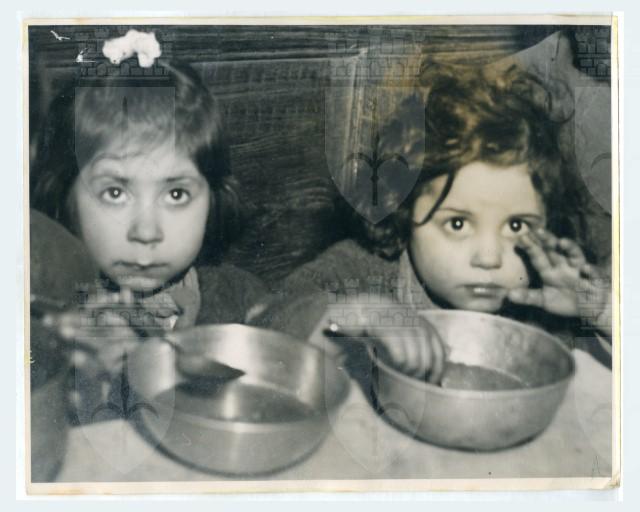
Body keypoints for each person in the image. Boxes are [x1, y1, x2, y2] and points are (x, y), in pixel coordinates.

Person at [259, 63, 612, 382]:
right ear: (402, 210)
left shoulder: (544, 299)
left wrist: (601, 312)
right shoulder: (360, 270)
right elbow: (266, 322)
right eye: (457, 224)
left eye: (516, 226)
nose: (489, 258)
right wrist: (355, 314)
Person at [31, 60, 268, 420]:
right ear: (66, 198)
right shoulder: (44, 323)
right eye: (114, 192)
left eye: (176, 194)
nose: (146, 232)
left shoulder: (240, 297)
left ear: (213, 200)